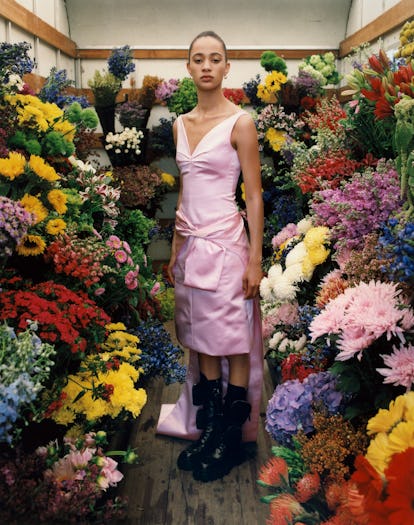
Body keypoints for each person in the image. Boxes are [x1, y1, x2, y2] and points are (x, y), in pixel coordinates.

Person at [156, 30, 264, 482]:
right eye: (198, 58)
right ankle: (208, 428)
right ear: (188, 68)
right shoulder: (179, 124)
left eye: (214, 59)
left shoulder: (241, 122)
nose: (206, 66)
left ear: (226, 68)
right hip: (192, 246)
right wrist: (176, 244)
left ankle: (230, 439)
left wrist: (256, 257)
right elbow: (186, 189)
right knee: (200, 337)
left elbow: (254, 195)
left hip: (228, 245)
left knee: (232, 338)